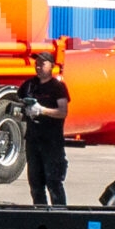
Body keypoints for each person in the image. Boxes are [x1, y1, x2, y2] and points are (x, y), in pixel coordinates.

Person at [21, 49, 71, 207]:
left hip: (51, 142)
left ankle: (60, 214)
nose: (38, 66)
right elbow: (17, 101)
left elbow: (62, 112)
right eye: (36, 63)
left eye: (42, 63)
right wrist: (23, 110)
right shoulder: (29, 85)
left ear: (52, 66)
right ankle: (40, 213)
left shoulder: (58, 87)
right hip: (33, 141)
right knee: (35, 183)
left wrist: (42, 110)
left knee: (53, 182)